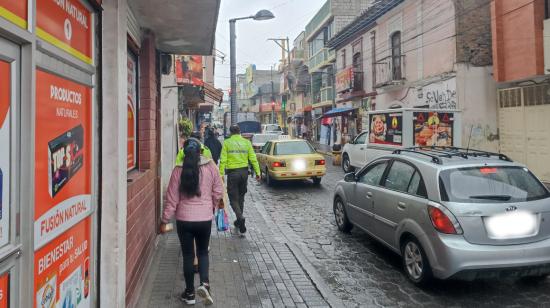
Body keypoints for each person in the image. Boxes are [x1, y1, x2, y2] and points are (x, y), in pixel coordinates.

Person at [161, 138, 223, 305]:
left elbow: (171, 199)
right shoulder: (210, 167)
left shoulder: (177, 171)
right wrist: (213, 206)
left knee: (188, 256)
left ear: (184, 152)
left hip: (184, 220)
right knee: (203, 252)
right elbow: (218, 190)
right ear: (200, 152)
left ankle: (189, 294)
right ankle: (204, 284)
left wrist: (164, 220)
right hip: (204, 219)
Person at [219, 125, 260, 234]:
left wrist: (221, 174)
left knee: (233, 198)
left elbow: (223, 159)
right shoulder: (246, 142)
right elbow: (253, 158)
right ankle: (239, 220)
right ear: (240, 132)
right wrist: (258, 172)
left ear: (230, 132)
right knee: (241, 197)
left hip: (233, 174)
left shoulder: (227, 143)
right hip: (244, 173)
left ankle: (240, 217)